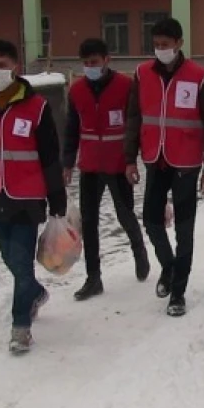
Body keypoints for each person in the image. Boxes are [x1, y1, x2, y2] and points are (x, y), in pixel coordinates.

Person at [0, 39, 67, 354]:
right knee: (10, 259)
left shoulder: (36, 107)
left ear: (16, 68)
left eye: (2, 65)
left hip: (28, 198)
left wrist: (56, 199)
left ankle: (21, 326)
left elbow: (49, 157)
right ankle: (34, 292)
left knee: (20, 259)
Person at [124, 17, 204, 317]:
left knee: (184, 228)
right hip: (155, 159)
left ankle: (178, 291)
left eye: (165, 45)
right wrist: (130, 158)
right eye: (156, 45)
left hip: (187, 162)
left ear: (179, 43)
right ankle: (169, 266)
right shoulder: (142, 74)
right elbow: (133, 118)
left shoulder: (199, 76)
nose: (160, 50)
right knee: (152, 221)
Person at [62, 38, 151, 300]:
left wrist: (132, 159)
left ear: (106, 60)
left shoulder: (125, 85)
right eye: (86, 63)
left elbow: (136, 123)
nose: (90, 67)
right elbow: (70, 130)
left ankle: (139, 250)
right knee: (88, 222)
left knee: (125, 214)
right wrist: (67, 163)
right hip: (89, 165)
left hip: (118, 164)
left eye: (95, 62)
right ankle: (93, 278)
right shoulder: (77, 90)